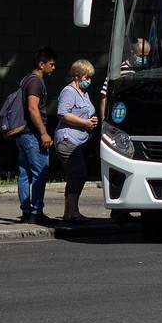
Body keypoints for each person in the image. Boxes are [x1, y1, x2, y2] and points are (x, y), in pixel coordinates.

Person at [54, 59, 99, 222]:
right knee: (78, 173)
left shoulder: (83, 93)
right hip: (68, 139)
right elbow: (63, 113)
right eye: (87, 77)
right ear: (77, 75)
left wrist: (91, 121)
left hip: (80, 140)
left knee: (73, 175)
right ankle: (73, 211)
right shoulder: (69, 92)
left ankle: (68, 213)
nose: (89, 81)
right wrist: (85, 122)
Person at [18, 46, 57, 224]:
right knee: (39, 172)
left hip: (23, 134)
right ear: (41, 64)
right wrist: (43, 133)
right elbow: (33, 108)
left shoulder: (26, 80)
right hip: (32, 134)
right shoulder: (36, 82)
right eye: (51, 64)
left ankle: (26, 212)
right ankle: (36, 212)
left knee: (25, 173)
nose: (53, 67)